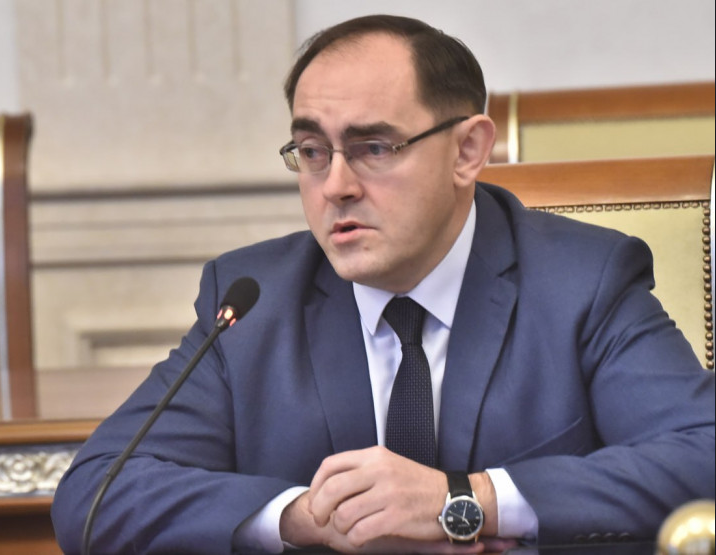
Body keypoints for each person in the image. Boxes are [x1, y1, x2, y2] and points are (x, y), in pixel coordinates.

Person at [51, 14, 715, 554]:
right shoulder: (253, 301)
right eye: (313, 152)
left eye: (374, 147)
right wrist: (308, 517)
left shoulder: (582, 281)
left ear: (467, 151)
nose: (336, 185)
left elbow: (702, 452)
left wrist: (466, 500)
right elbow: (97, 493)